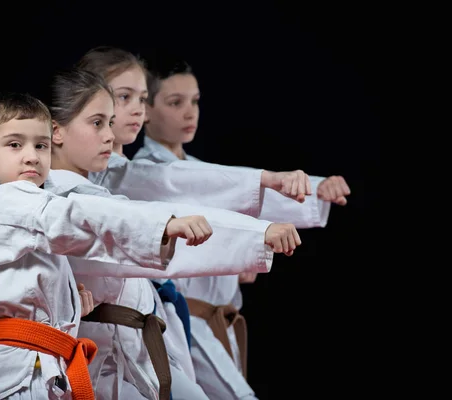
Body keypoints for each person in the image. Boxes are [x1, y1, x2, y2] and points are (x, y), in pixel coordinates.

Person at [76, 45, 350, 399]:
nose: (135, 110)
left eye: (140, 98)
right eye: (124, 97)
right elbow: (177, 189)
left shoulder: (127, 171)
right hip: (129, 330)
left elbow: (200, 187)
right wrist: (257, 231)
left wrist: (295, 199)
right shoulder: (112, 178)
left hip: (153, 325)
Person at [42, 67, 304, 400]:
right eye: (97, 123)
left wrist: (258, 230)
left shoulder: (94, 189)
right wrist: (254, 233)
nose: (110, 135)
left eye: (110, 123)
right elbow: (135, 217)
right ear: (57, 131)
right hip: (96, 358)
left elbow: (182, 186)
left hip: (132, 348)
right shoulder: (57, 201)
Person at [0, 92, 218, 400]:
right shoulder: (4, 201)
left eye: (41, 145)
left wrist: (70, 302)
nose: (31, 156)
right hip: (22, 373)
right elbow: (75, 216)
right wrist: (161, 224)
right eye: (15, 145)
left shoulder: (29, 206)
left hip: (42, 366)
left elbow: (25, 288)